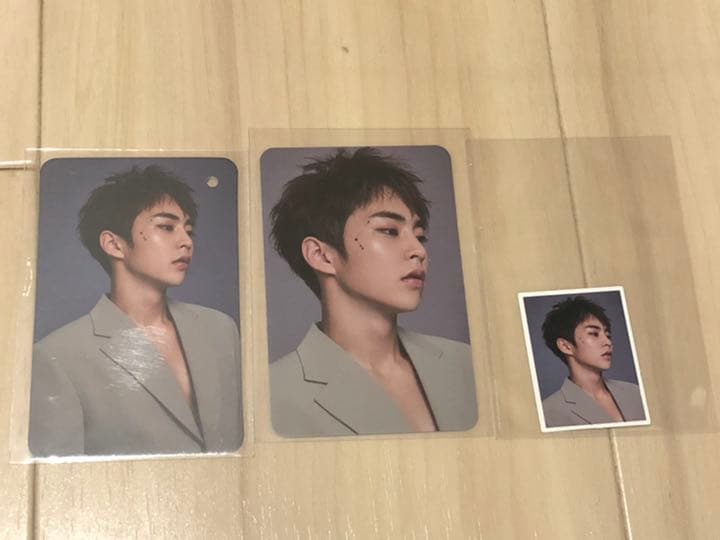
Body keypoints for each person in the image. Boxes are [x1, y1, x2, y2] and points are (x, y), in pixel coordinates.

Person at [29, 165, 242, 456]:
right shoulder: (58, 358)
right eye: (166, 227)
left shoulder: (221, 329)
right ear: (114, 244)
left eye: (188, 229)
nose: (187, 242)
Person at [268, 147, 477, 437]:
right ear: (321, 255)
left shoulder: (465, 363)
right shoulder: (275, 395)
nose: (418, 251)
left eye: (420, 236)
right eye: (389, 231)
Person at [540, 296, 645, 427]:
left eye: (608, 335)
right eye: (594, 334)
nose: (608, 342)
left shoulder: (635, 392)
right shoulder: (549, 412)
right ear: (566, 346)